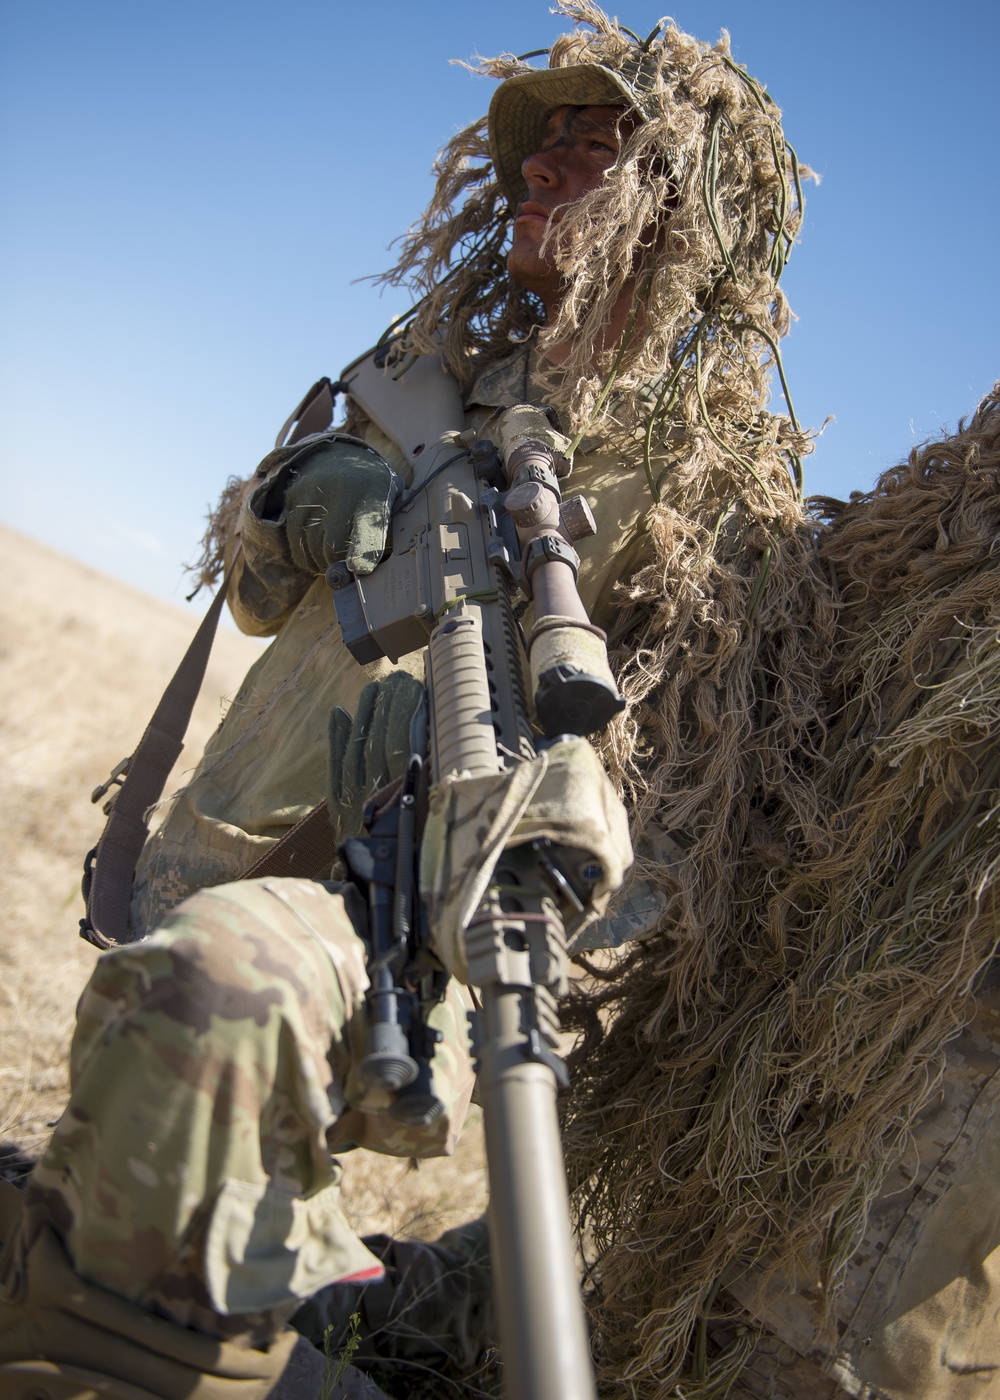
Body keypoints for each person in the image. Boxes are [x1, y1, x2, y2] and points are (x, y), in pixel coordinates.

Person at [6, 3, 937, 1397]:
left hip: (364, 949)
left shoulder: (713, 507)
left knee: (151, 1301)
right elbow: (254, 588)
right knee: (124, 1221)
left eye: (594, 150)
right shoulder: (438, 373)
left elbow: (681, 822)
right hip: (206, 878)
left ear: (684, 218)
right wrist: (294, 503)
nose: (541, 173)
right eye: (540, 143)